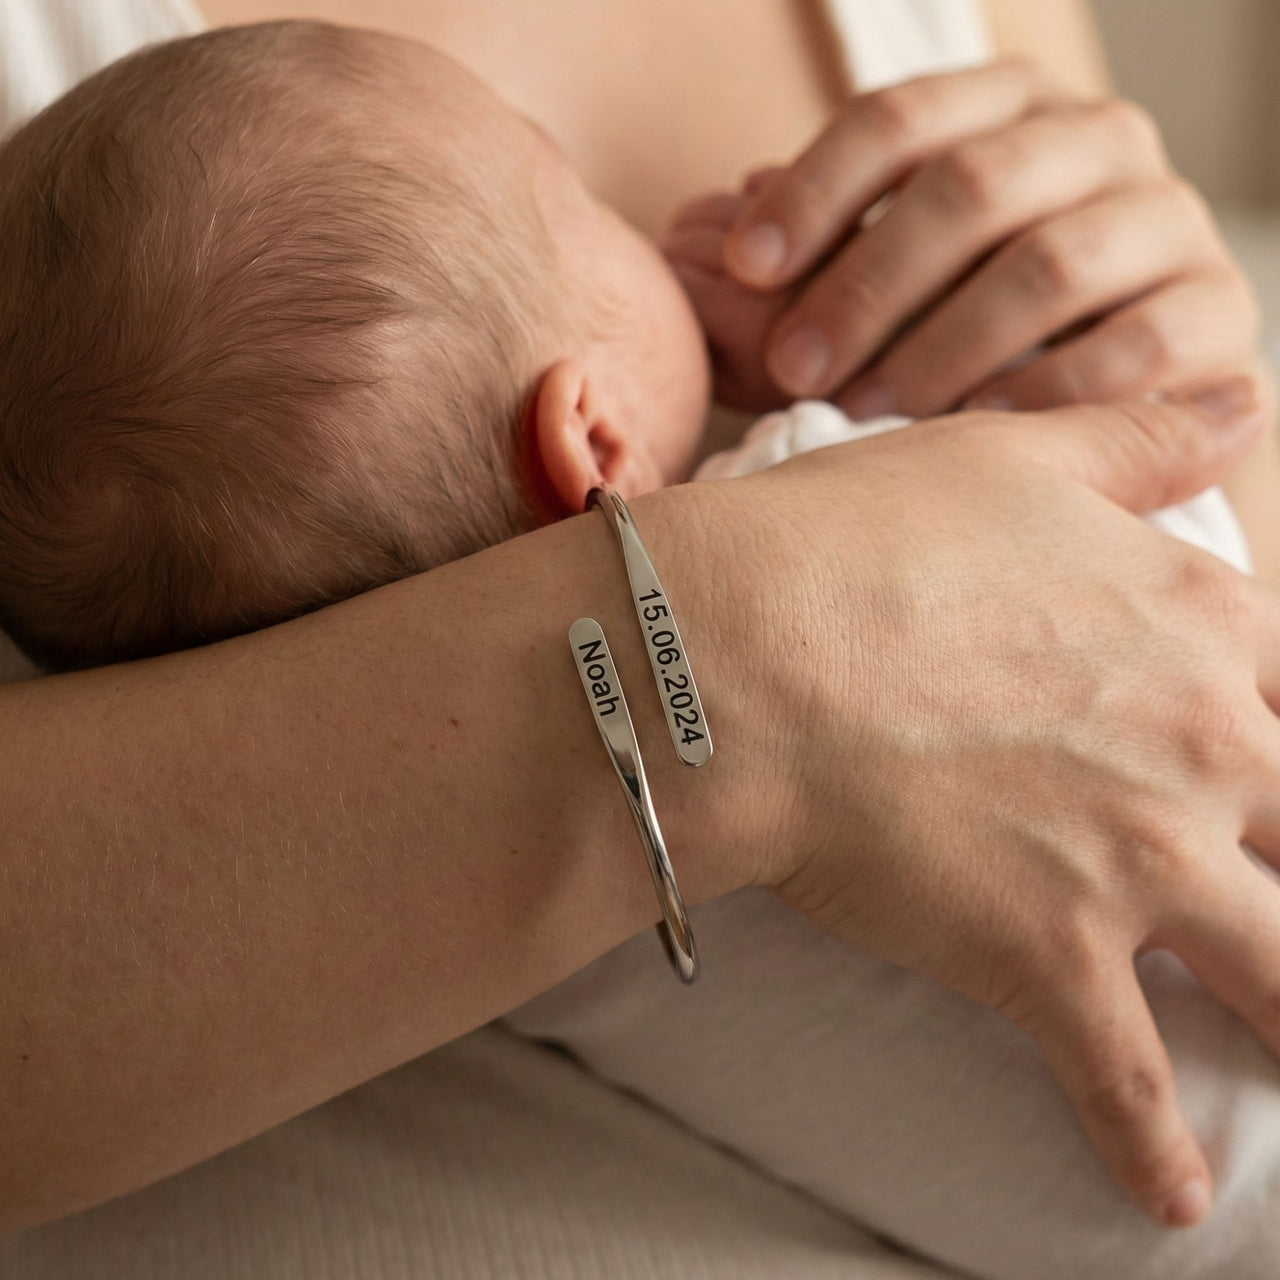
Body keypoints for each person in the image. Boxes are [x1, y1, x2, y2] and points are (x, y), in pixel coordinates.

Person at [0, 3, 1277, 1275]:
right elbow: (1180, 589)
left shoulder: (487, 952)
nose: (648, 224)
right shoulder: (824, 482)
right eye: (587, 205)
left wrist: (1148, 305)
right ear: (594, 440)